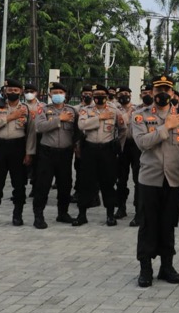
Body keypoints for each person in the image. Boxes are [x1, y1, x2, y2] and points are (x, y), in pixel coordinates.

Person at [132, 74, 179, 287]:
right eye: (158, 90)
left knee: (168, 224)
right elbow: (142, 143)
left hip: (174, 179)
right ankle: (145, 268)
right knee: (147, 224)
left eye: (166, 90)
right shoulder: (140, 116)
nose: (162, 94)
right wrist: (165, 127)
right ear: (152, 93)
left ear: (172, 93)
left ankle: (167, 266)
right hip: (150, 179)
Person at [0, 79, 37, 227]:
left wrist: (29, 153)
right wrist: (10, 117)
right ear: (5, 91)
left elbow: (31, 133)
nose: (12, 93)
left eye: (15, 90)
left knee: (19, 184)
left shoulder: (26, 109)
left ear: (20, 91)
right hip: (0, 148)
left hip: (18, 148)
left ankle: (17, 215)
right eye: (10, 90)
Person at [75, 84, 127, 226]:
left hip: (107, 151)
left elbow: (123, 129)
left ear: (106, 95)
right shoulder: (86, 110)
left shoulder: (114, 110)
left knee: (108, 183)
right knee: (85, 183)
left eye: (101, 94)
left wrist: (118, 146)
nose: (99, 97)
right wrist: (100, 118)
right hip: (89, 149)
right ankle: (82, 214)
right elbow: (82, 125)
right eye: (96, 94)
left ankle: (110, 215)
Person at [33, 82, 77, 228]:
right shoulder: (43, 110)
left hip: (65, 153)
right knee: (43, 185)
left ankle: (62, 213)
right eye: (54, 92)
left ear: (65, 94)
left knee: (65, 184)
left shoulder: (72, 111)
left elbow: (77, 131)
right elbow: (39, 127)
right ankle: (38, 215)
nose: (57, 95)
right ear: (50, 95)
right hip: (47, 152)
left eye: (60, 92)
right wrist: (59, 119)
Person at [116, 86, 141, 223]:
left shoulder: (139, 109)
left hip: (136, 146)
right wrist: (129, 111)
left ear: (131, 95)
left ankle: (138, 211)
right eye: (121, 94)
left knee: (138, 179)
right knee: (121, 179)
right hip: (122, 146)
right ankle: (121, 208)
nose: (124, 96)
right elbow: (121, 123)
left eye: (127, 93)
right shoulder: (115, 109)